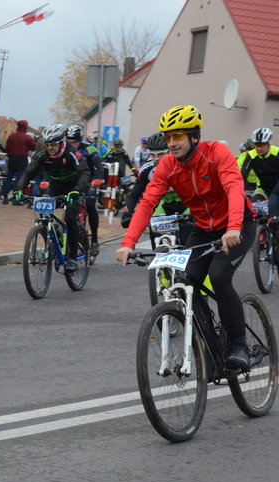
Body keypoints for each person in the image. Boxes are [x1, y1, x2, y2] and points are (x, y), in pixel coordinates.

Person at [114, 105, 256, 372]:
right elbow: (147, 203)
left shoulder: (217, 154)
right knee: (184, 278)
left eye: (177, 136)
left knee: (219, 274)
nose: (171, 143)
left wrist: (234, 226)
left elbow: (234, 188)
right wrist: (127, 243)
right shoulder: (167, 164)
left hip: (238, 225)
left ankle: (238, 344)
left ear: (193, 136)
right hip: (203, 228)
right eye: (167, 137)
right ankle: (212, 342)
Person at [13, 123, 90, 273]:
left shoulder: (71, 152)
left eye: (53, 144)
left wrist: (76, 191)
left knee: (70, 217)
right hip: (57, 186)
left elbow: (85, 173)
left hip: (74, 187)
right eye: (48, 144)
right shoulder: (43, 154)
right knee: (42, 209)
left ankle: (72, 258)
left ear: (61, 142)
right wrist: (19, 189)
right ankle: (55, 236)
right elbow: (28, 172)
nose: (50, 148)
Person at [119, 133, 192, 245]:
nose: (156, 159)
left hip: (187, 203)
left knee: (188, 234)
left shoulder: (183, 164)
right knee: (155, 229)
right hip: (164, 204)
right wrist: (127, 214)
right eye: (153, 155)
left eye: (160, 154)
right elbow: (135, 194)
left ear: (169, 151)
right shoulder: (147, 169)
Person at [67, 125, 103, 257]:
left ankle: (94, 240)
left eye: (74, 143)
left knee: (90, 204)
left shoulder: (89, 148)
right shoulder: (64, 149)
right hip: (75, 182)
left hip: (90, 181)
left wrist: (97, 180)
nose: (71, 145)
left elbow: (99, 167)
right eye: (69, 142)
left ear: (79, 141)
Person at [240, 127, 279, 213]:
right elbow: (242, 175)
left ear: (268, 144)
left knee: (274, 212)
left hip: (277, 190)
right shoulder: (251, 155)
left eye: (262, 145)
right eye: (256, 145)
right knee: (252, 209)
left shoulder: (277, 152)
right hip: (263, 189)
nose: (259, 148)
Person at [3, 119, 37, 204]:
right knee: (19, 180)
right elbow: (34, 147)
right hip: (22, 160)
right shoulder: (27, 138)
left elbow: (7, 149)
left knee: (8, 179)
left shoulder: (12, 136)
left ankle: (5, 197)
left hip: (12, 159)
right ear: (25, 127)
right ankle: (16, 199)